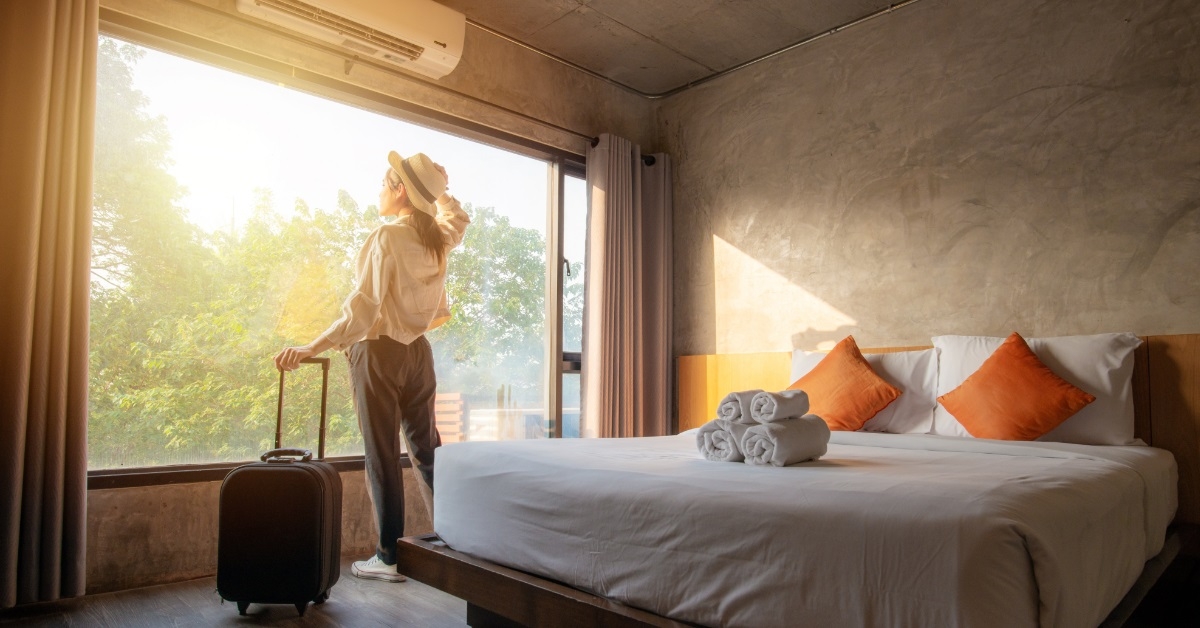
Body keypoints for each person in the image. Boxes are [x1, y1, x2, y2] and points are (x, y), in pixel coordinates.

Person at [274, 151, 470, 583]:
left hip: (379, 353)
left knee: (382, 454)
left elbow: (362, 309)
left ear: (400, 191)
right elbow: (458, 219)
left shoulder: (387, 237)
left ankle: (389, 557)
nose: (379, 192)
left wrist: (311, 346)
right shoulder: (437, 237)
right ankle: (458, 543)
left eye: (385, 185)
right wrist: (439, 191)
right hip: (419, 355)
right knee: (427, 452)